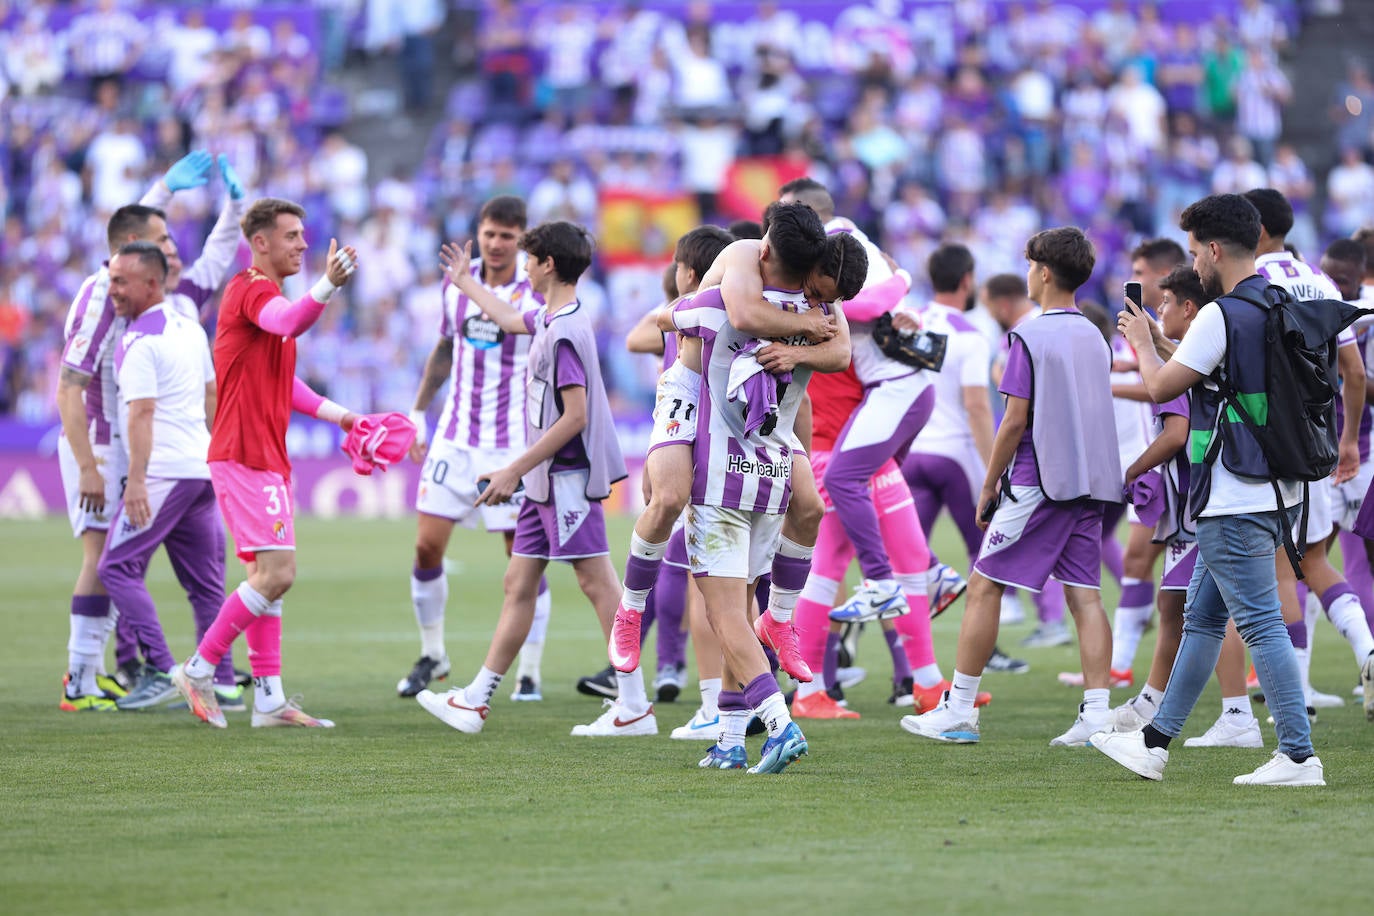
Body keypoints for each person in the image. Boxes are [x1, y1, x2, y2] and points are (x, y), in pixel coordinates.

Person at [1094, 193, 1325, 786]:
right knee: (1200, 619)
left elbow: (1160, 386)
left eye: (1196, 251)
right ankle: (1153, 742)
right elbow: (1211, 371)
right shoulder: (1270, 301)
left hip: (1233, 493)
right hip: (1275, 486)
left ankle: (1298, 756)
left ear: (1214, 250)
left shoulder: (1221, 314)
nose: (1193, 262)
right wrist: (1163, 344)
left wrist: (1144, 342)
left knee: (1260, 624)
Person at [416, 222, 643, 736]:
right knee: (518, 582)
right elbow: (505, 315)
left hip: (565, 476)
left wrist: (513, 468)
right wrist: (464, 282)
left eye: (529, 257)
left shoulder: (565, 331)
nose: (523, 265)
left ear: (548, 265)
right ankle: (474, 701)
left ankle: (633, 704)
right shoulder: (552, 316)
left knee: (599, 583)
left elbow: (575, 416)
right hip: (545, 480)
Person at [903, 228, 1122, 747]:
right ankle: (1096, 714)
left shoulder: (1028, 334)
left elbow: (1013, 420)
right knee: (1086, 597)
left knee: (983, 585)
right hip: (1090, 481)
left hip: (1040, 480)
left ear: (1044, 272)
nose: (1026, 273)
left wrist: (989, 482)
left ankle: (958, 709)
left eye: (1029, 265)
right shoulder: (1094, 333)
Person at [673, 222, 866, 773]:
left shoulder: (737, 297)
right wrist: (801, 335)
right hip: (768, 467)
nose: (817, 304)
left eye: (826, 301)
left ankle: (779, 725)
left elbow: (680, 317)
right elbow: (822, 344)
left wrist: (793, 344)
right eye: (817, 291)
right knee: (744, 607)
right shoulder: (767, 291)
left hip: (724, 471)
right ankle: (732, 738)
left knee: (725, 614)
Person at [170, 198, 361, 729]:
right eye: (292, 235)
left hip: (263, 457)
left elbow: (286, 379)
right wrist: (327, 285)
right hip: (244, 454)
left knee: (264, 576)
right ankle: (199, 668)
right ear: (261, 242)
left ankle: (269, 699)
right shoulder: (251, 288)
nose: (302, 244)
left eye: (303, 235)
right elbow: (293, 321)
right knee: (278, 573)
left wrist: (343, 417)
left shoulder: (266, 294)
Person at [56, 151, 217, 711]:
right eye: (159, 238)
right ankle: (83, 680)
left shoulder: (137, 285)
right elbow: (69, 385)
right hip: (100, 443)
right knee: (103, 560)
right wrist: (88, 466)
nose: (168, 248)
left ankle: (107, 673)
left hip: (124, 444)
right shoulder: (107, 292)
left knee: (115, 562)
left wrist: (166, 187)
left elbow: (135, 222)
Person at [398, 196, 555, 702]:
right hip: (455, 439)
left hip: (509, 446)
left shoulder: (532, 294)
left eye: (508, 236)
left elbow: (512, 321)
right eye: (489, 233)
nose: (496, 243)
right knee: (426, 547)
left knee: (520, 558)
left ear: (521, 240)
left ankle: (528, 670)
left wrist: (467, 281)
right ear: (480, 233)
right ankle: (433, 651)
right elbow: (445, 349)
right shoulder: (455, 291)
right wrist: (418, 411)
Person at [1109, 266, 1262, 747]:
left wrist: (1132, 469)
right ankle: (1155, 709)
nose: (1158, 311)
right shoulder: (1201, 347)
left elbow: (1173, 422)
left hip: (1210, 501)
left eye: (1164, 303)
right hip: (1203, 500)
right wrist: (1151, 342)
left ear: (1189, 308)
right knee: (1181, 606)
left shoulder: (1196, 350)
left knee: (1223, 613)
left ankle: (1238, 715)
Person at [1239, 187, 1373, 714]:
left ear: (1254, 228)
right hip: (1320, 440)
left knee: (1280, 568)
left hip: (1270, 443)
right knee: (1315, 560)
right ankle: (1366, 648)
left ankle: (1290, 698)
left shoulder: (1253, 282)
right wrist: (1347, 442)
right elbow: (1354, 374)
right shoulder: (1318, 280)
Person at [89, 243, 225, 712]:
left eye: (121, 281)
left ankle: (168, 671)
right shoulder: (190, 329)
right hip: (201, 470)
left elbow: (142, 413)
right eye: (111, 280)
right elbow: (211, 392)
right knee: (206, 585)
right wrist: (214, 451)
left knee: (115, 567)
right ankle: (220, 682)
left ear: (152, 283)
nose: (113, 291)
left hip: (165, 473)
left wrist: (138, 480)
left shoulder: (139, 341)